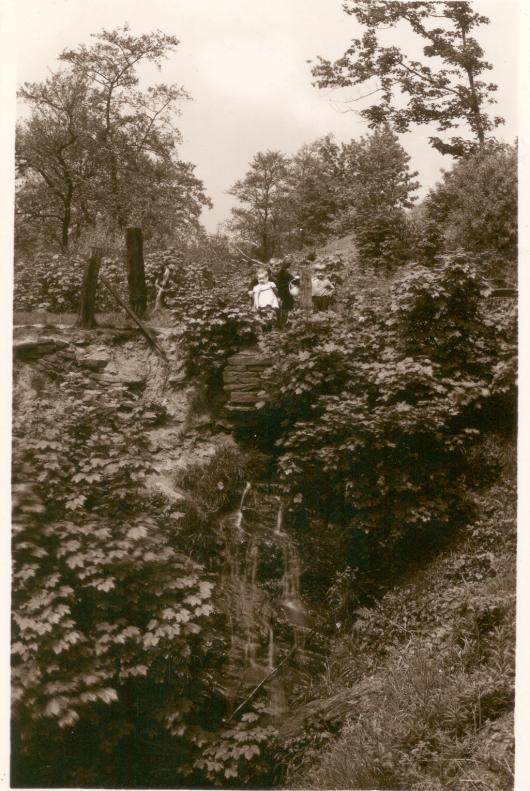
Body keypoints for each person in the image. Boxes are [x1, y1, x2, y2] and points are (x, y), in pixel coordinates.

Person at [274, 258, 295, 326]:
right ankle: (279, 323)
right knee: (278, 309)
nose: (275, 268)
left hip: (285, 293)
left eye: (278, 266)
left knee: (285, 308)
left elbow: (293, 281)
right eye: (274, 266)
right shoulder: (268, 272)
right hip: (275, 293)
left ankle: (284, 322)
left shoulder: (285, 273)